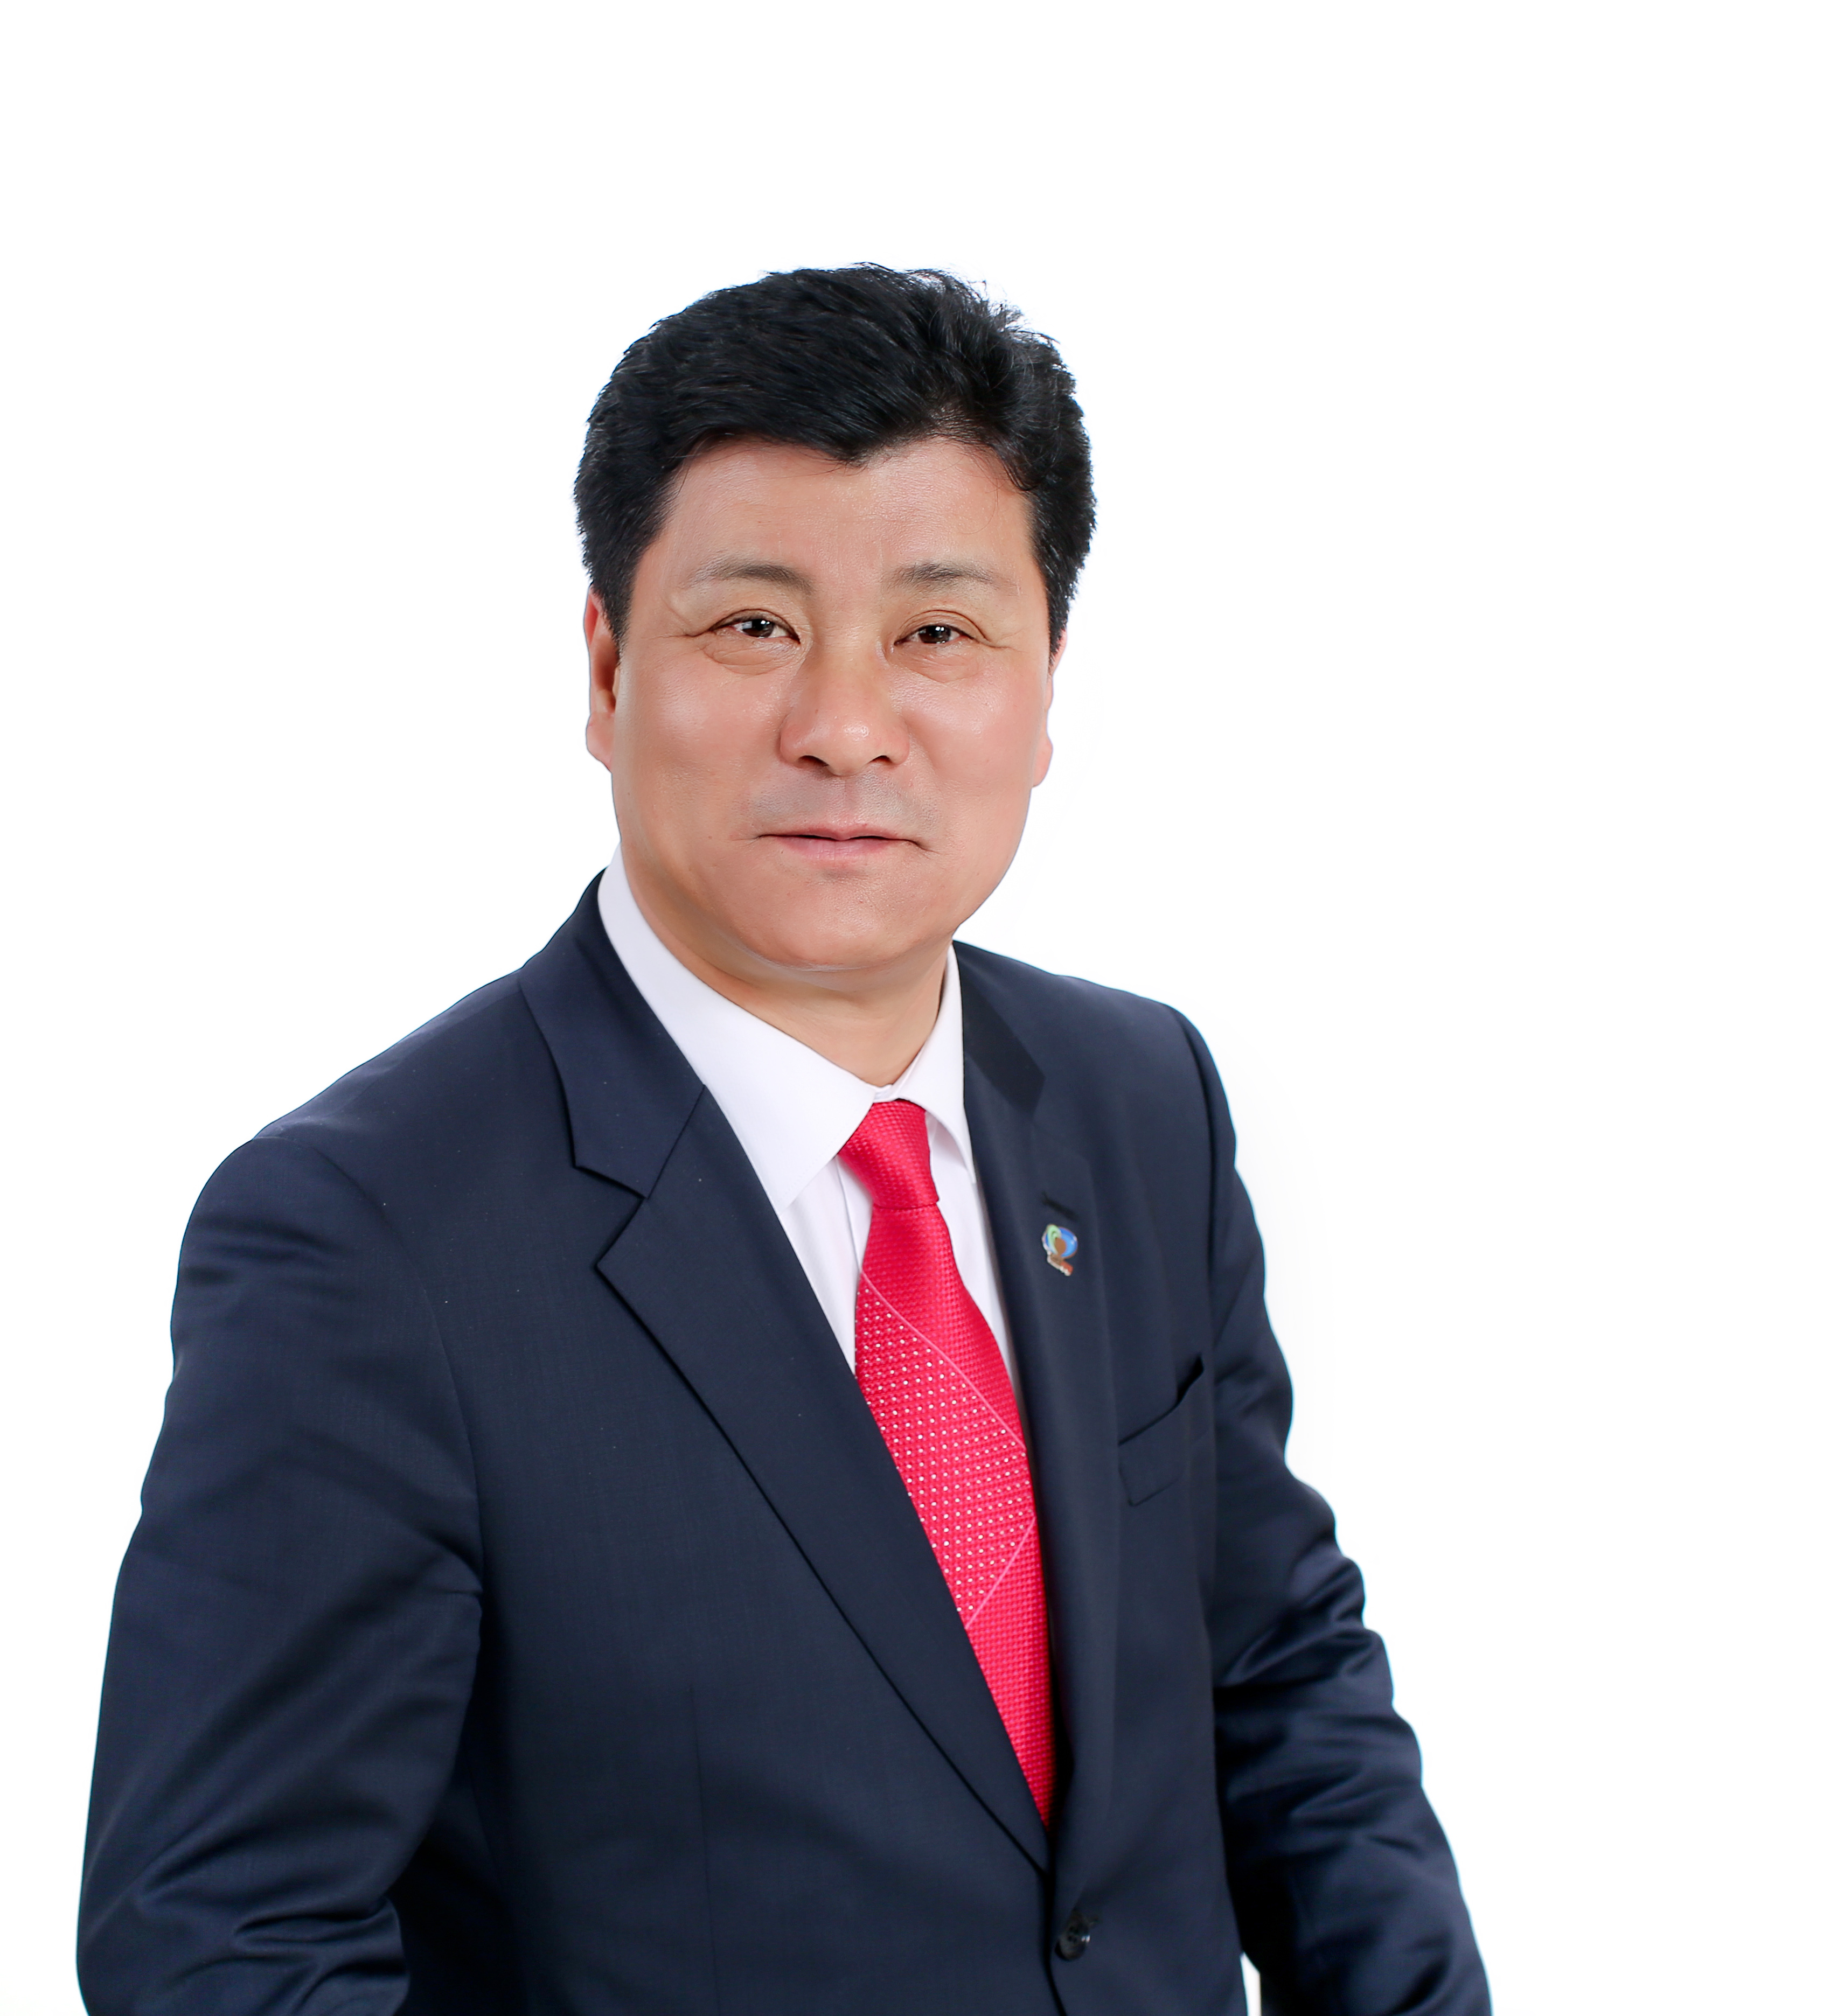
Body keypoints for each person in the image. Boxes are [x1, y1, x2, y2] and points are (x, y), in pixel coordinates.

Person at [79, 266, 1491, 2015]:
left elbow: (1274, 1675)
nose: (841, 727)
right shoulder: (369, 1236)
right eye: (752, 627)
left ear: (1045, 687)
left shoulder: (1138, 1103)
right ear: (607, 667)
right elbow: (223, 1944)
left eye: (936, 634)